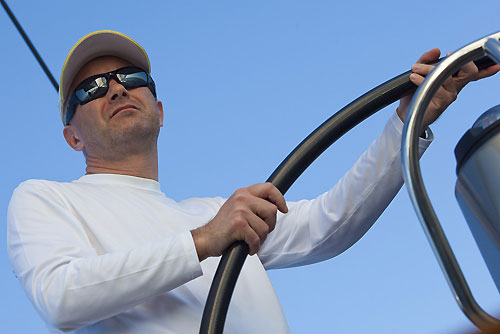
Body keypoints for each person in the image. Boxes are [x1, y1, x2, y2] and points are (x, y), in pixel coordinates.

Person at [6, 30, 499, 334]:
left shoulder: (216, 212)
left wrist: (409, 121)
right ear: (72, 137)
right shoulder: (47, 199)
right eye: (91, 88)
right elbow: (61, 296)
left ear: (160, 110)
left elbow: (334, 223)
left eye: (133, 78)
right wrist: (205, 241)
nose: (115, 88)